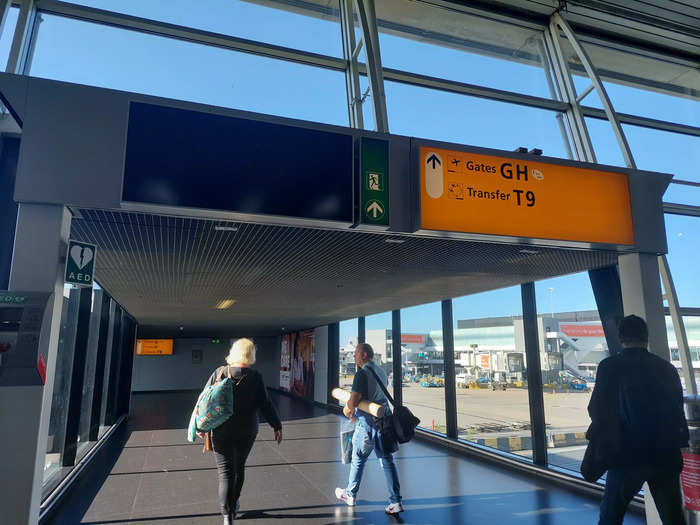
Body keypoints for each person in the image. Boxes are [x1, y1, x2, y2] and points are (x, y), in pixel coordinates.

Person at [589, 315, 689, 525]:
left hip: (625, 456)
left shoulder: (609, 367)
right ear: (646, 337)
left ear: (620, 337)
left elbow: (596, 409)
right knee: (673, 518)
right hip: (664, 456)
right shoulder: (666, 368)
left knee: (611, 516)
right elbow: (677, 411)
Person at [199, 338, 283, 525]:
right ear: (251, 354)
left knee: (225, 473)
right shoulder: (255, 377)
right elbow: (266, 405)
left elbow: (204, 401)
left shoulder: (219, 372)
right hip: (247, 431)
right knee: (239, 467)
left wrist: (200, 426)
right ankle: (235, 502)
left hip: (221, 430)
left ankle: (227, 516)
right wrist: (276, 425)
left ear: (233, 352)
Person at [335, 343, 403, 514]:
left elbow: (354, 399)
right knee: (387, 459)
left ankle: (350, 494)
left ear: (364, 355)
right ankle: (395, 501)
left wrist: (348, 408)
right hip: (384, 419)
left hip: (368, 423)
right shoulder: (381, 371)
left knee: (358, 457)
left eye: (356, 353)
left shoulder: (362, 373)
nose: (354, 356)